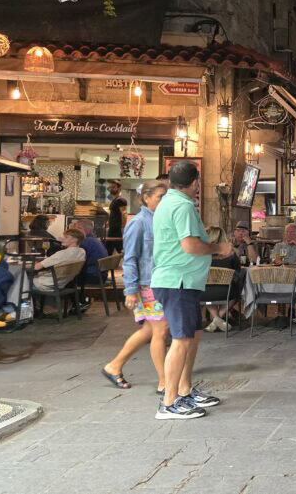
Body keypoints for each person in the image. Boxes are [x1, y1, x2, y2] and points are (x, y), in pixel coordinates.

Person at [151, 160, 228, 420]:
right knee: (182, 340)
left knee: (193, 336)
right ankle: (169, 402)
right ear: (195, 182)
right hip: (178, 281)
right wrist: (218, 249)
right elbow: (190, 246)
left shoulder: (169, 203)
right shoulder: (182, 206)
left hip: (183, 281)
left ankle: (184, 390)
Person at [102, 181, 169, 391]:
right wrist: (130, 290)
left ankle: (114, 366)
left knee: (150, 330)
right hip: (146, 284)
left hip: (159, 282)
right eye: (160, 196)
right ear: (146, 197)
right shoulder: (138, 223)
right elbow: (129, 258)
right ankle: (164, 382)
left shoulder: (161, 220)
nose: (164, 200)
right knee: (161, 330)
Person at [202, 227, 242, 332]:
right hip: (227, 293)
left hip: (205, 294)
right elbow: (238, 272)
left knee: (205, 290)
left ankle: (216, 319)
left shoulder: (201, 255)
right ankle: (219, 318)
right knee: (238, 289)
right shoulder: (232, 254)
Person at [31, 228, 86, 293]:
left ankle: (25, 302)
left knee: (21, 280)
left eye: (66, 237)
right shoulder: (82, 252)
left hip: (46, 284)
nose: (62, 239)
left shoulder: (62, 253)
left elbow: (36, 267)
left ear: (75, 239)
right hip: (62, 283)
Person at [71, 218, 107, 298]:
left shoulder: (85, 242)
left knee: (63, 279)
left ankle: (76, 303)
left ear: (82, 229)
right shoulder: (94, 240)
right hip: (100, 275)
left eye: (75, 229)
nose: (73, 231)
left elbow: (78, 262)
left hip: (93, 276)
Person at [106, 180, 127, 254]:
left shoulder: (121, 200)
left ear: (119, 189)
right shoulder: (114, 200)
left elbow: (124, 213)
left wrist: (122, 227)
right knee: (108, 249)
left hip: (117, 229)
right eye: (111, 187)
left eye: (114, 187)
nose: (111, 188)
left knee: (120, 249)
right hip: (112, 228)